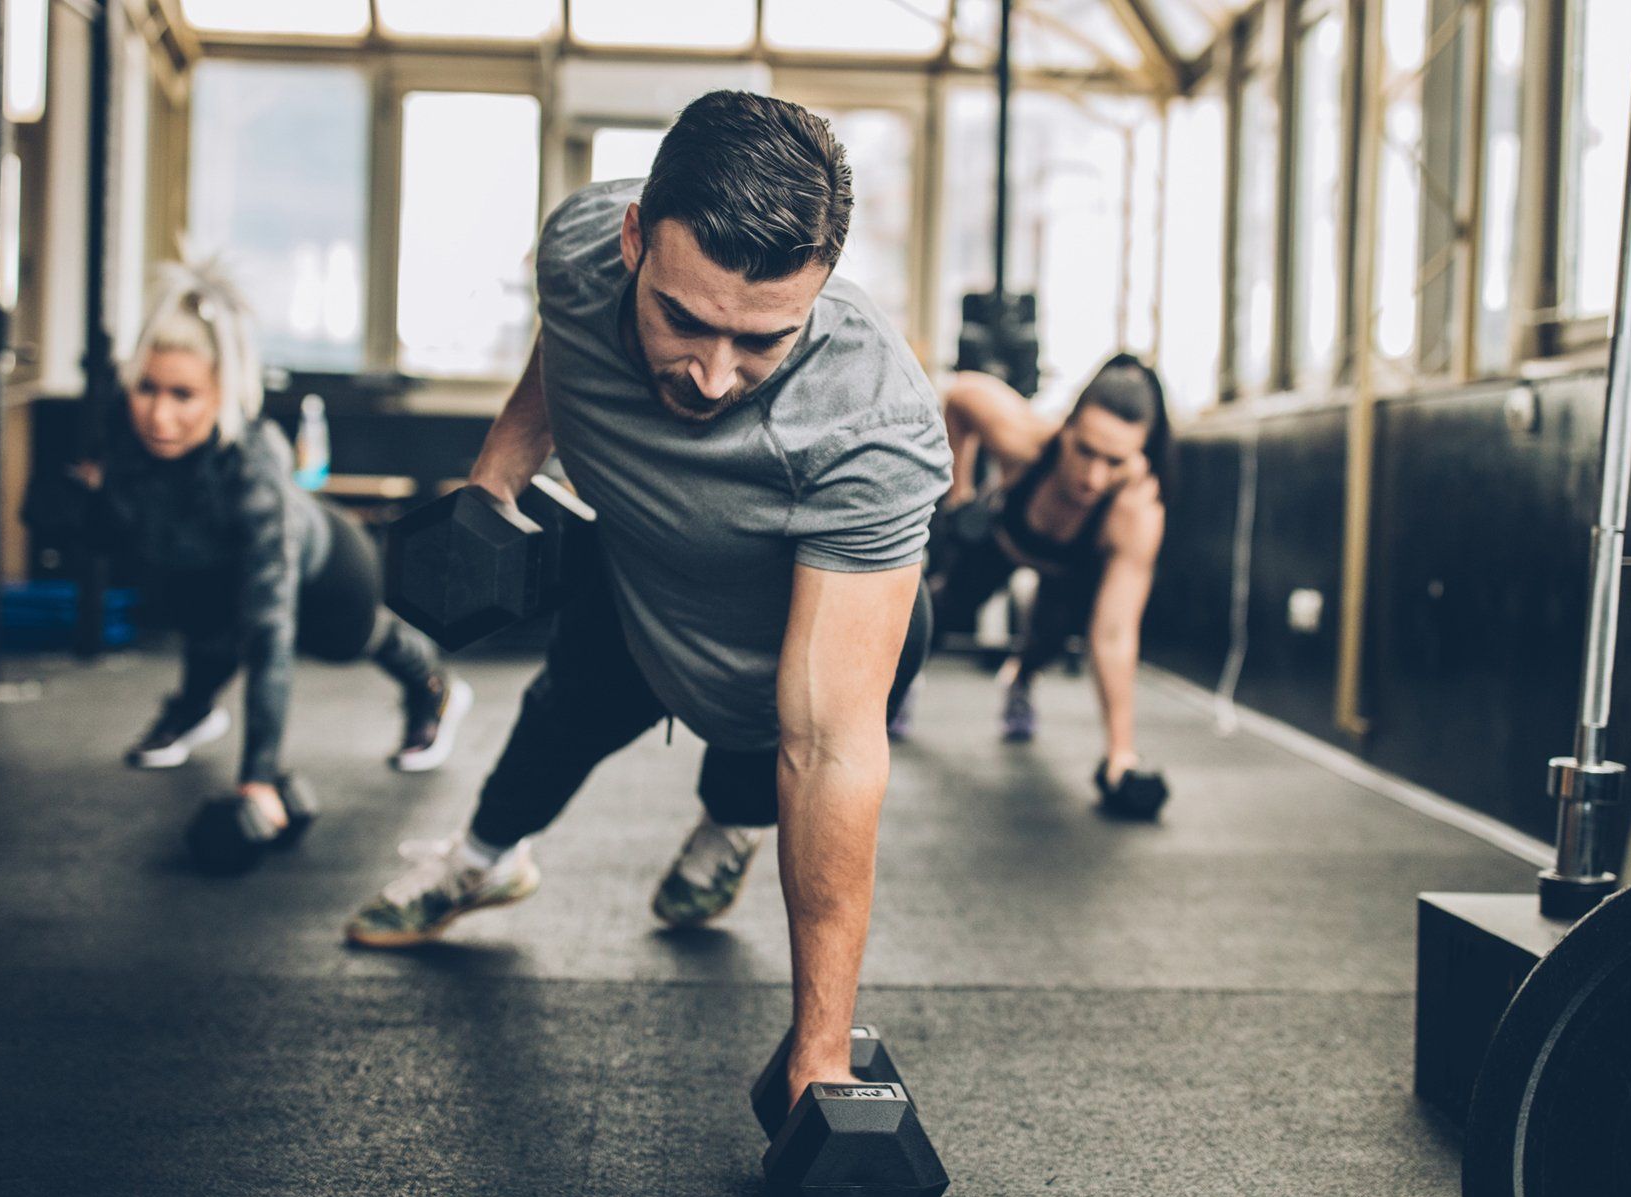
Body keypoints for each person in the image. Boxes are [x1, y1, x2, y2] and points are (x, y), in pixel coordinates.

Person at [343, 91, 949, 1107]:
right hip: (637, 571)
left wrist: (821, 1056)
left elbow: (832, 747)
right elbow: (569, 342)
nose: (713, 376)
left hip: (791, 622)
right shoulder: (579, 242)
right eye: (684, 320)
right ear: (634, 241)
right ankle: (483, 860)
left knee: (776, 746)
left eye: (762, 341)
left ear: (823, 283)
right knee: (564, 708)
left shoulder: (873, 426)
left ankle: (727, 831)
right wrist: (499, 470)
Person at [70, 261, 471, 834]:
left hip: (332, 567)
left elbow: (268, 633)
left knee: (350, 638)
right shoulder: (127, 441)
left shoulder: (254, 479)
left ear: (221, 393)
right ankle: (197, 705)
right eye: (147, 389)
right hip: (218, 570)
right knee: (199, 596)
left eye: (183, 395)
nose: (159, 414)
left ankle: (434, 689)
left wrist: (258, 777)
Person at [917, 355, 1169, 790]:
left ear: (1139, 456)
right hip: (1001, 540)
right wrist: (958, 495)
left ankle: (1020, 682)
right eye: (1085, 450)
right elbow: (958, 397)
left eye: (1115, 461)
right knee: (939, 611)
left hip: (1067, 571)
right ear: (1066, 426)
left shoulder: (1136, 513)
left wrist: (1120, 754)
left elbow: (1113, 635)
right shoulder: (1026, 439)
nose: (1093, 477)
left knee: (1047, 643)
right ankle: (901, 686)